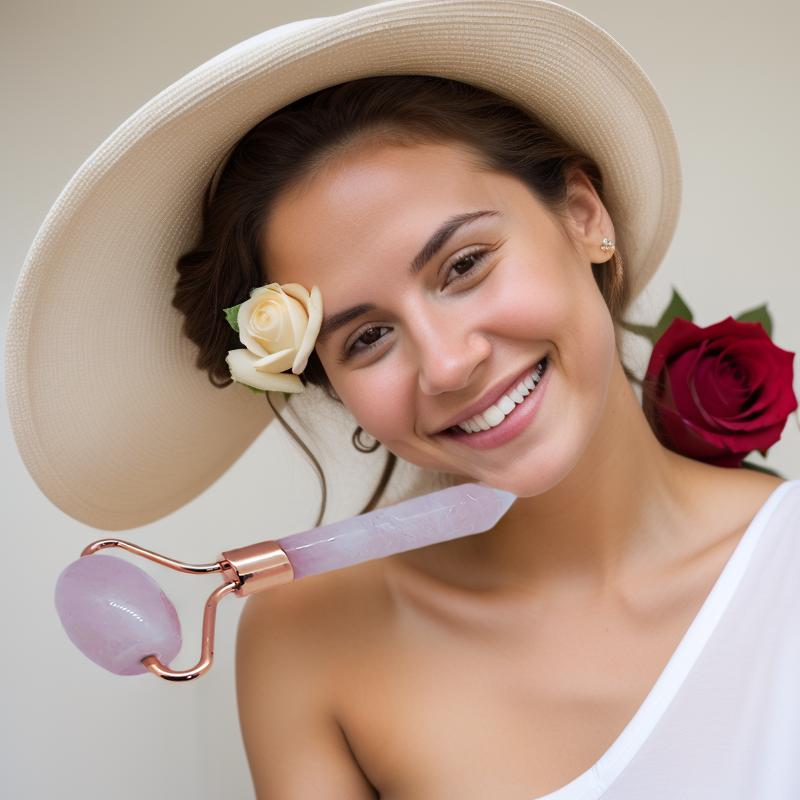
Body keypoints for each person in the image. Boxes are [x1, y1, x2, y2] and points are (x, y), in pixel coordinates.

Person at [6, 1, 798, 798]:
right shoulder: (306, 640)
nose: (448, 363)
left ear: (585, 217)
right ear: (330, 384)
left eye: (464, 265)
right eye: (366, 338)